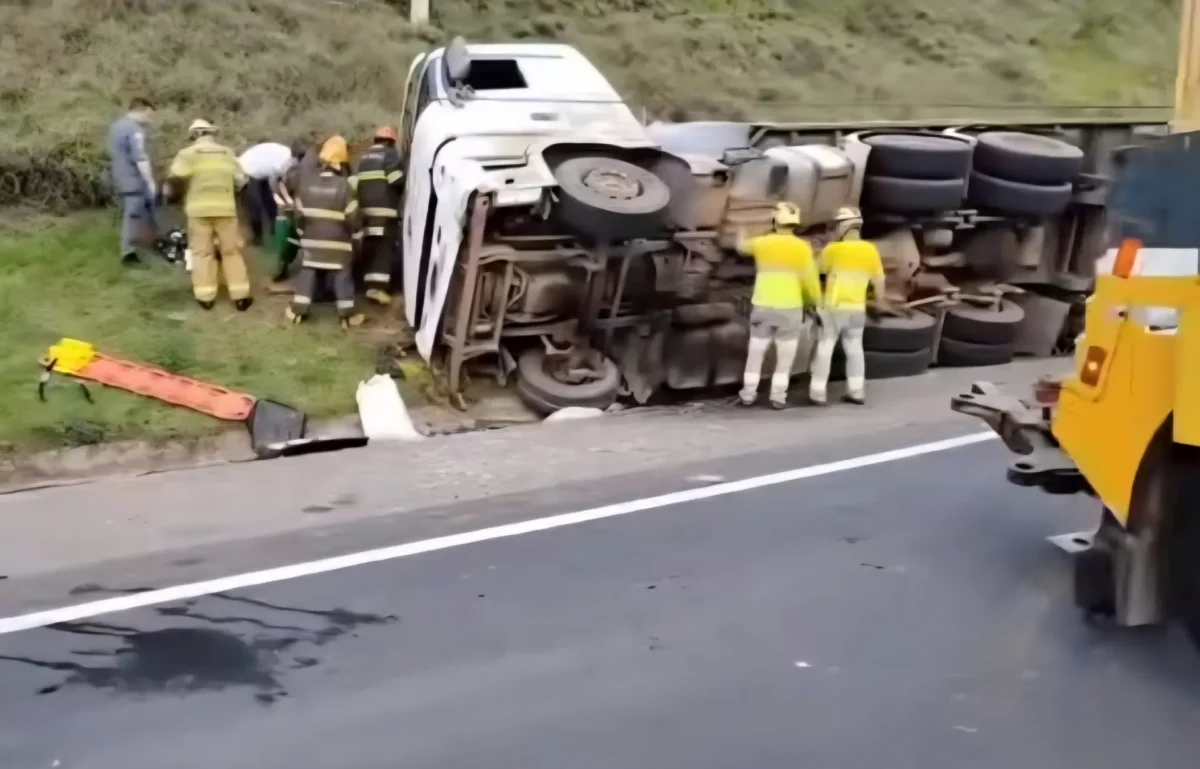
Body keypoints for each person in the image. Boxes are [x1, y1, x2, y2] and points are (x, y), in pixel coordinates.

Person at [736, 202, 823, 409]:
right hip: (790, 308)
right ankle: (778, 397)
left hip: (763, 306)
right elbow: (810, 281)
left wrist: (742, 230)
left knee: (756, 352)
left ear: (775, 220)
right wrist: (815, 304)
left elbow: (740, 246)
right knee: (785, 357)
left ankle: (748, 394)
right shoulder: (803, 248)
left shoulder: (762, 243)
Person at [166, 119, 253, 311]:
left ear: (194, 135)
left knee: (202, 252)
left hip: (198, 211)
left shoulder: (186, 154)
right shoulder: (227, 153)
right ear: (211, 133)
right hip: (225, 209)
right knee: (231, 250)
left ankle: (206, 297)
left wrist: (174, 201)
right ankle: (240, 296)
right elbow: (241, 182)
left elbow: (174, 182)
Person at [808, 207, 888, 406]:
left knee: (826, 346)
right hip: (857, 308)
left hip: (834, 306)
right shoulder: (870, 250)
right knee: (854, 348)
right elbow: (879, 280)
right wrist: (879, 301)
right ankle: (856, 391)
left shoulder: (833, 249)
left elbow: (817, 271)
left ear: (842, 226)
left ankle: (817, 392)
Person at [286, 136, 366, 329]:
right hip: (338, 244)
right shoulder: (345, 186)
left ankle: (298, 312)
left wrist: (303, 235)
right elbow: (353, 218)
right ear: (341, 162)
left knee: (307, 272)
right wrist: (356, 240)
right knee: (342, 275)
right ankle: (346, 316)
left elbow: (298, 215)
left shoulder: (306, 184)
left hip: (312, 243)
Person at [349, 126, 405, 305]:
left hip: (366, 212)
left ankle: (367, 284)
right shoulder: (389, 155)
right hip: (385, 211)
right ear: (391, 141)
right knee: (384, 249)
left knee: (370, 247)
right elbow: (396, 180)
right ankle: (377, 288)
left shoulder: (364, 158)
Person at [107, 95, 158, 267]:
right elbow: (140, 158)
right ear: (141, 111)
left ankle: (149, 243)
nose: (149, 120)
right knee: (134, 215)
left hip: (120, 177)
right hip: (134, 179)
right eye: (148, 115)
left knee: (139, 213)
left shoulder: (116, 127)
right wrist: (150, 182)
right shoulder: (135, 130)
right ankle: (129, 253)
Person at [268, 140, 311, 287]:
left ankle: (281, 267)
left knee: (286, 240)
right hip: (296, 209)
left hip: (288, 209)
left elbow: (275, 184)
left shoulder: (285, 167)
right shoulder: (299, 169)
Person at [237, 141, 295, 246]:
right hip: (247, 171)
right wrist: (282, 198)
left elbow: (280, 181)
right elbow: (274, 182)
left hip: (263, 168)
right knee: (254, 207)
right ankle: (258, 239)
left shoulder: (287, 158)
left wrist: (285, 198)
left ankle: (273, 231)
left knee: (270, 203)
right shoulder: (283, 163)